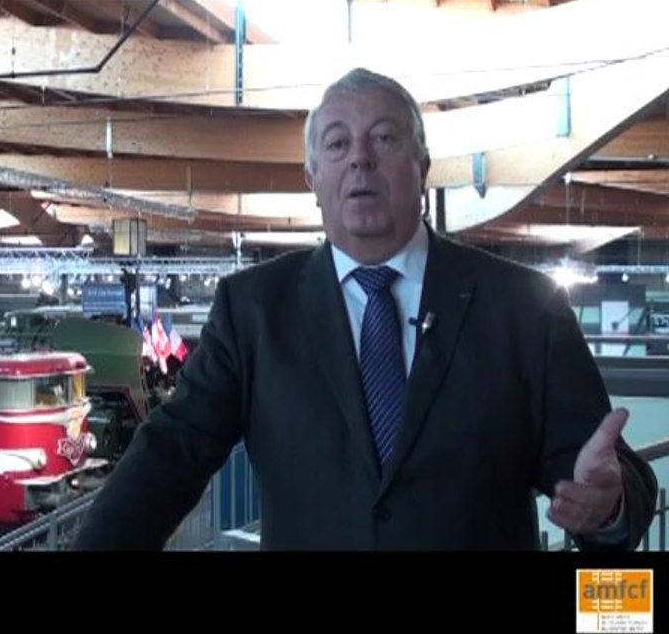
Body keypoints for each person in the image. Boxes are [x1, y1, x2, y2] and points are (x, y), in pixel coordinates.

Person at [73, 68, 657, 550]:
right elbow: (172, 451)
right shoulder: (253, 311)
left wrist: (609, 505)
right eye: (338, 144)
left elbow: (604, 472)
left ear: (422, 168)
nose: (360, 160)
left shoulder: (524, 309)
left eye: (384, 138)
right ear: (313, 177)